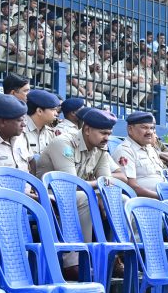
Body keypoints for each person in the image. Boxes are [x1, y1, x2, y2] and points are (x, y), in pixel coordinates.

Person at [36, 108, 126, 278]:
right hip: (50, 195)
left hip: (77, 193)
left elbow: (106, 181)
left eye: (109, 133)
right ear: (87, 130)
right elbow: (70, 184)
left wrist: (102, 193)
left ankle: (114, 256)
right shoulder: (64, 143)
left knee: (121, 199)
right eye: (103, 133)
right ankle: (75, 260)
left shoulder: (100, 149)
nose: (107, 137)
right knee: (85, 198)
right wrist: (99, 188)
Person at [111, 112, 167, 199]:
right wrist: (162, 197)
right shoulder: (125, 150)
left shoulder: (150, 148)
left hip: (163, 197)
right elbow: (131, 187)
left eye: (151, 128)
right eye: (144, 127)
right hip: (144, 202)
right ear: (130, 129)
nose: (149, 132)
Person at [21, 89, 60, 156]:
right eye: (53, 110)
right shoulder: (20, 130)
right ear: (39, 111)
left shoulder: (50, 132)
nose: (56, 114)